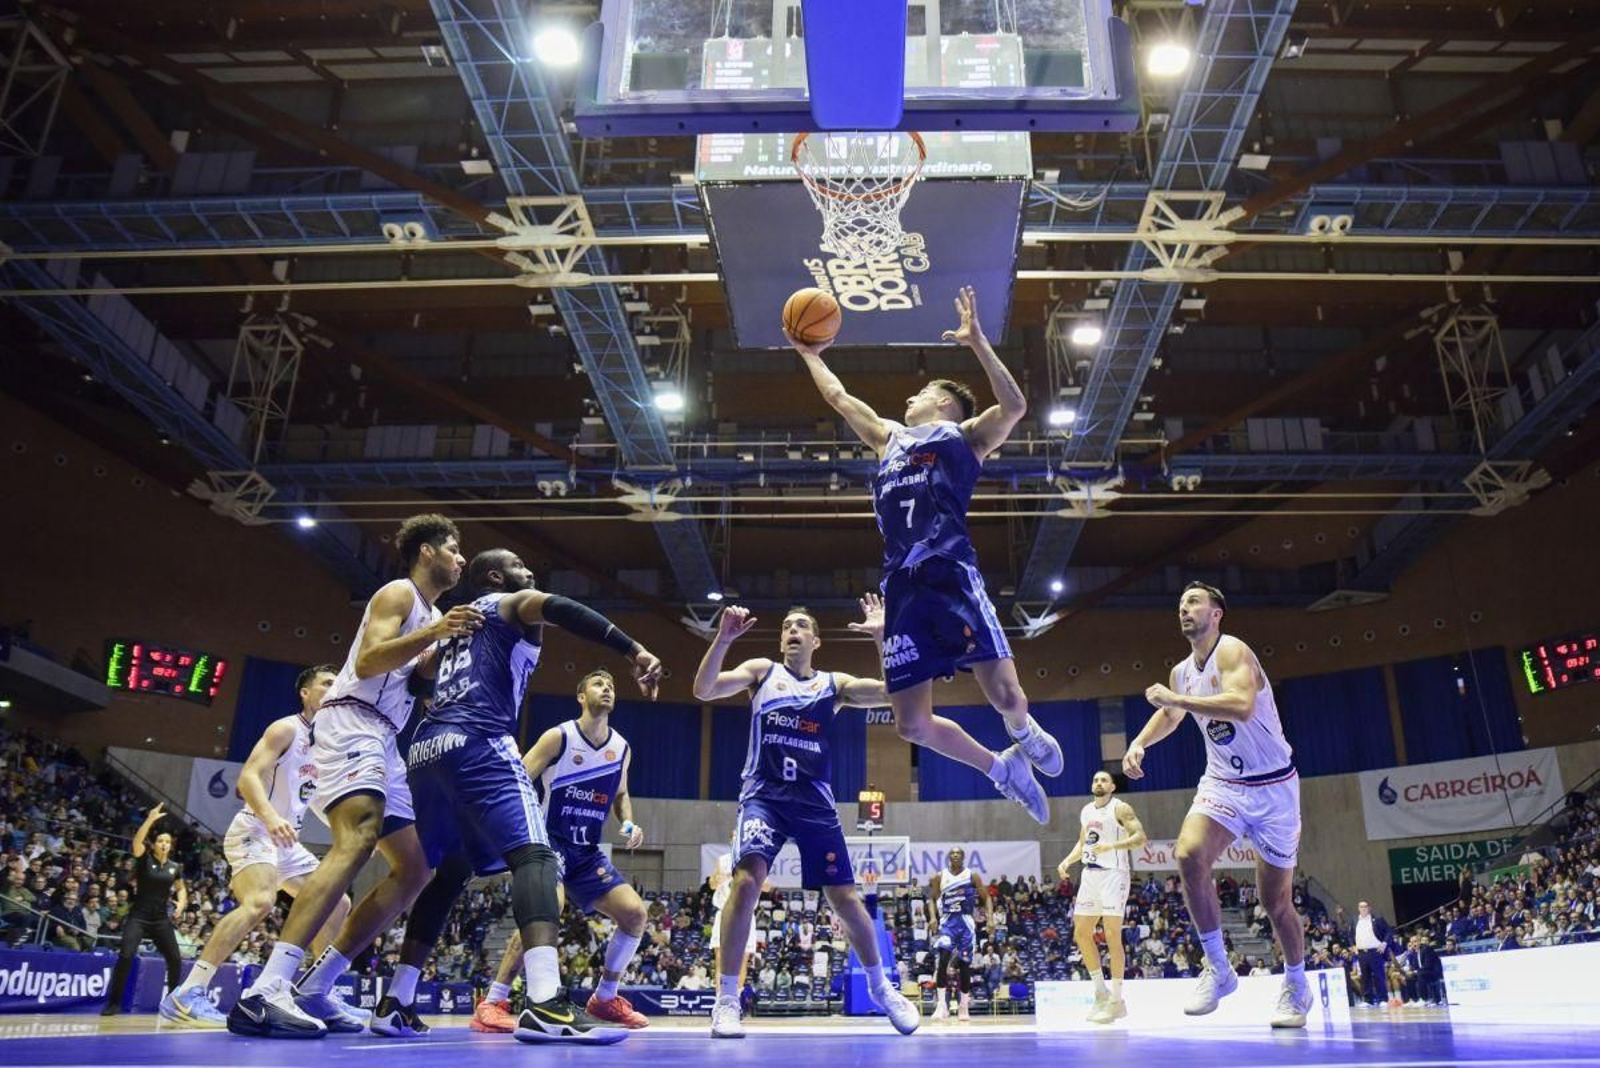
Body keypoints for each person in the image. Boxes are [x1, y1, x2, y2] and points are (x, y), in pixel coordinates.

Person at [788, 287, 1060, 822]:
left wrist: (978, 342)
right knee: (909, 724)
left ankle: (1024, 733)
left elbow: (1016, 406)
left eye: (918, 393)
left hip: (952, 576)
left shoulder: (965, 436)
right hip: (905, 588)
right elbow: (840, 398)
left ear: (941, 403)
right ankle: (1002, 769)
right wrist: (811, 356)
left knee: (1006, 697)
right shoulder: (888, 439)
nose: (906, 400)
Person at [387, 549, 662, 1043]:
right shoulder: (507, 605)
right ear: (496, 577)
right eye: (517, 565)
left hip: (427, 748)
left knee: (446, 874)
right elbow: (561, 608)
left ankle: (397, 999)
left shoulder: (455, 628)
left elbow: (416, 676)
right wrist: (633, 649)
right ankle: (542, 1003)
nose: (529, 570)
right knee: (535, 858)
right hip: (479, 741)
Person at [229, 514, 481, 1038]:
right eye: (454, 549)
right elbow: (367, 663)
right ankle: (264, 991)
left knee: (415, 871)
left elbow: (409, 684)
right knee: (358, 839)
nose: (461, 559)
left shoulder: (430, 613)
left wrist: (439, 657)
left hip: (386, 737)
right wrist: (435, 631)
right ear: (427, 552)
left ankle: (317, 987)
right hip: (351, 721)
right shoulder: (398, 593)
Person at [693, 596, 919, 1039]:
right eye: (786, 626)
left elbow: (897, 696)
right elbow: (704, 688)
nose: (791, 631)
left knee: (846, 899)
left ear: (815, 640)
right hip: (765, 796)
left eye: (800, 626)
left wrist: (880, 638)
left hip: (814, 801)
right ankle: (726, 1001)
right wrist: (722, 639)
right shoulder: (761, 672)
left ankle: (880, 988)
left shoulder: (832, 685)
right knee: (746, 880)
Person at [1124, 581, 1313, 1028]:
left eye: (1193, 602)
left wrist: (1178, 700)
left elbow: (1242, 706)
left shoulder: (1233, 651)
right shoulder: (1181, 672)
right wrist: (1140, 741)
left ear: (1217, 613)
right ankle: (1219, 967)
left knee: (1275, 902)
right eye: (1180, 604)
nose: (1184, 610)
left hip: (1273, 788)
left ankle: (1297, 985)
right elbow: (1170, 715)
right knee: (1188, 853)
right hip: (1224, 782)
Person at [161, 665, 352, 1027]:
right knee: (260, 902)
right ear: (306, 693)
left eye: (337, 684)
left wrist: (349, 833)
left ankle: (316, 994)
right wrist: (270, 817)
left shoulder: (327, 742)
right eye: (326, 683)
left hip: (287, 841)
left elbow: (315, 798)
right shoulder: (285, 728)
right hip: (257, 828)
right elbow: (247, 776)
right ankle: (188, 992)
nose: (333, 690)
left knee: (337, 903)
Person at [472, 665, 659, 1034]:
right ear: (580, 696)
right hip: (548, 842)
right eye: (597, 683)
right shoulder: (558, 737)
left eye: (610, 685)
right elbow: (519, 779)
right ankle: (493, 1001)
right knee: (548, 909)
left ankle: (605, 999)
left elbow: (620, 794)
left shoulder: (621, 748)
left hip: (586, 851)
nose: (606, 688)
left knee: (635, 914)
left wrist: (626, 823)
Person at [1057, 769, 1147, 1024]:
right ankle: (1100, 991)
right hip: (1090, 874)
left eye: (1104, 780)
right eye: (1095, 779)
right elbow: (1083, 842)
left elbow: (1140, 838)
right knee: (1081, 932)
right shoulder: (1086, 810)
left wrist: (1112, 846)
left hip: (1114, 875)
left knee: (1111, 936)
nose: (1098, 782)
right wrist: (1067, 860)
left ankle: (1117, 1001)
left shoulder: (1121, 808)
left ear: (1113, 787)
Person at [103, 803, 186, 1016]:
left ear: (171, 845)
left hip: (160, 919)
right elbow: (137, 841)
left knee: (175, 959)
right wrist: (150, 819)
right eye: (161, 841)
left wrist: (182, 904)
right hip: (138, 916)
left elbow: (181, 888)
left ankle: (172, 1003)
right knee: (126, 955)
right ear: (154, 844)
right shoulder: (144, 859)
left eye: (167, 841)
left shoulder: (175, 867)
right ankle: (114, 1003)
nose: (164, 844)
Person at [929, 847, 993, 1022]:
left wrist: (990, 919)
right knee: (943, 959)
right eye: (952, 853)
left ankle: (963, 1006)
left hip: (966, 923)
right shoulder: (939, 876)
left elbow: (986, 897)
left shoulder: (972, 876)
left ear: (963, 857)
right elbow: (932, 899)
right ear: (949, 857)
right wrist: (933, 917)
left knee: (965, 965)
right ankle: (942, 1005)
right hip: (948, 922)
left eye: (959, 853)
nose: (955, 855)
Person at [1353, 900, 1393, 1007]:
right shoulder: (1355, 921)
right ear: (1358, 908)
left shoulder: (1377, 920)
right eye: (1361, 907)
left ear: (1369, 908)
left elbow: (1389, 931)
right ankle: (1368, 1000)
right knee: (1365, 977)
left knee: (1378, 976)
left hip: (1375, 951)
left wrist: (1384, 943)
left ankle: (1383, 999)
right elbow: (1350, 934)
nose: (1363, 909)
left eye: (1365, 906)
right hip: (1362, 953)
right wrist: (1352, 945)